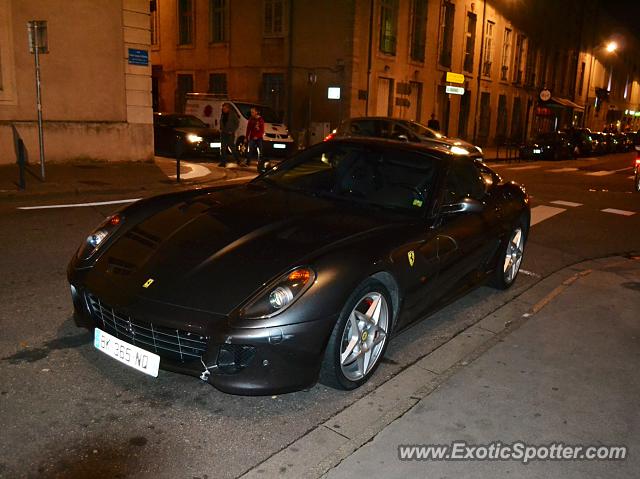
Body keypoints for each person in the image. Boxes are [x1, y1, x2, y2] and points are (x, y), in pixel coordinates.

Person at [218, 102, 239, 167]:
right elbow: (221, 121)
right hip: (223, 133)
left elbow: (237, 123)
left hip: (230, 133)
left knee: (231, 147)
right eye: (223, 108)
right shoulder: (223, 114)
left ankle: (238, 159)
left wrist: (232, 130)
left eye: (225, 108)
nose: (223, 110)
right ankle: (223, 162)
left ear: (228, 108)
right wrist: (221, 128)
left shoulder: (233, 114)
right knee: (223, 148)